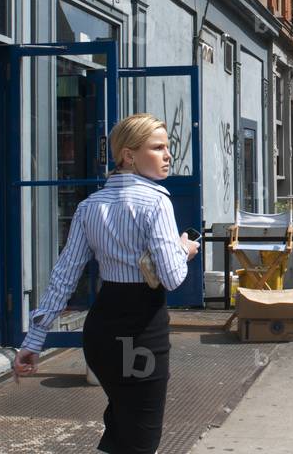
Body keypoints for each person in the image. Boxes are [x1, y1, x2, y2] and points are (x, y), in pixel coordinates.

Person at [12, 113, 199, 454]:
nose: (168, 155)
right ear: (129, 155)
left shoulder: (88, 206)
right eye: (157, 148)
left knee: (120, 428)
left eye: (167, 147)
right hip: (141, 333)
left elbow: (64, 276)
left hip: (101, 334)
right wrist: (184, 249)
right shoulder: (156, 201)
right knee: (141, 438)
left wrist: (34, 340)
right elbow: (173, 278)